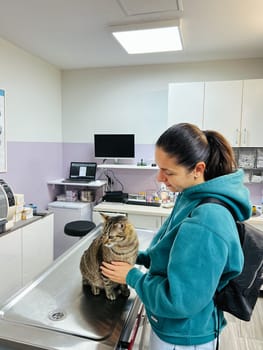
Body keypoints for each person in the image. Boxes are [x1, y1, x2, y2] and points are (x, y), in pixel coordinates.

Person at [101, 123, 251, 350]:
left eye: (168, 171)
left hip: (184, 337)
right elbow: (173, 253)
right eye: (160, 167)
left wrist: (132, 277)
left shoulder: (206, 220)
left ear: (198, 170)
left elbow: (180, 301)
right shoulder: (189, 196)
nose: (160, 177)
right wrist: (139, 258)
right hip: (172, 327)